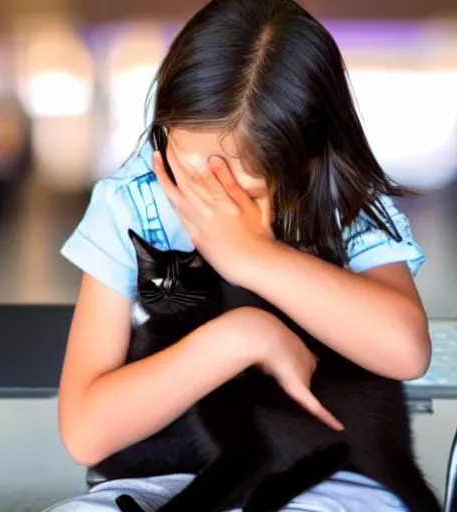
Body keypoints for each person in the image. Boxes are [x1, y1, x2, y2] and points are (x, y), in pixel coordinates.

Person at [43, 0, 430, 510]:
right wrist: (241, 336)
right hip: (163, 478)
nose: (209, 197)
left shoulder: (339, 198)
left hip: (321, 475)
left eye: (240, 187)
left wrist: (252, 256)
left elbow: (406, 349)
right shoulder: (132, 199)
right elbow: (86, 434)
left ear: (307, 160)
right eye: (189, 166)